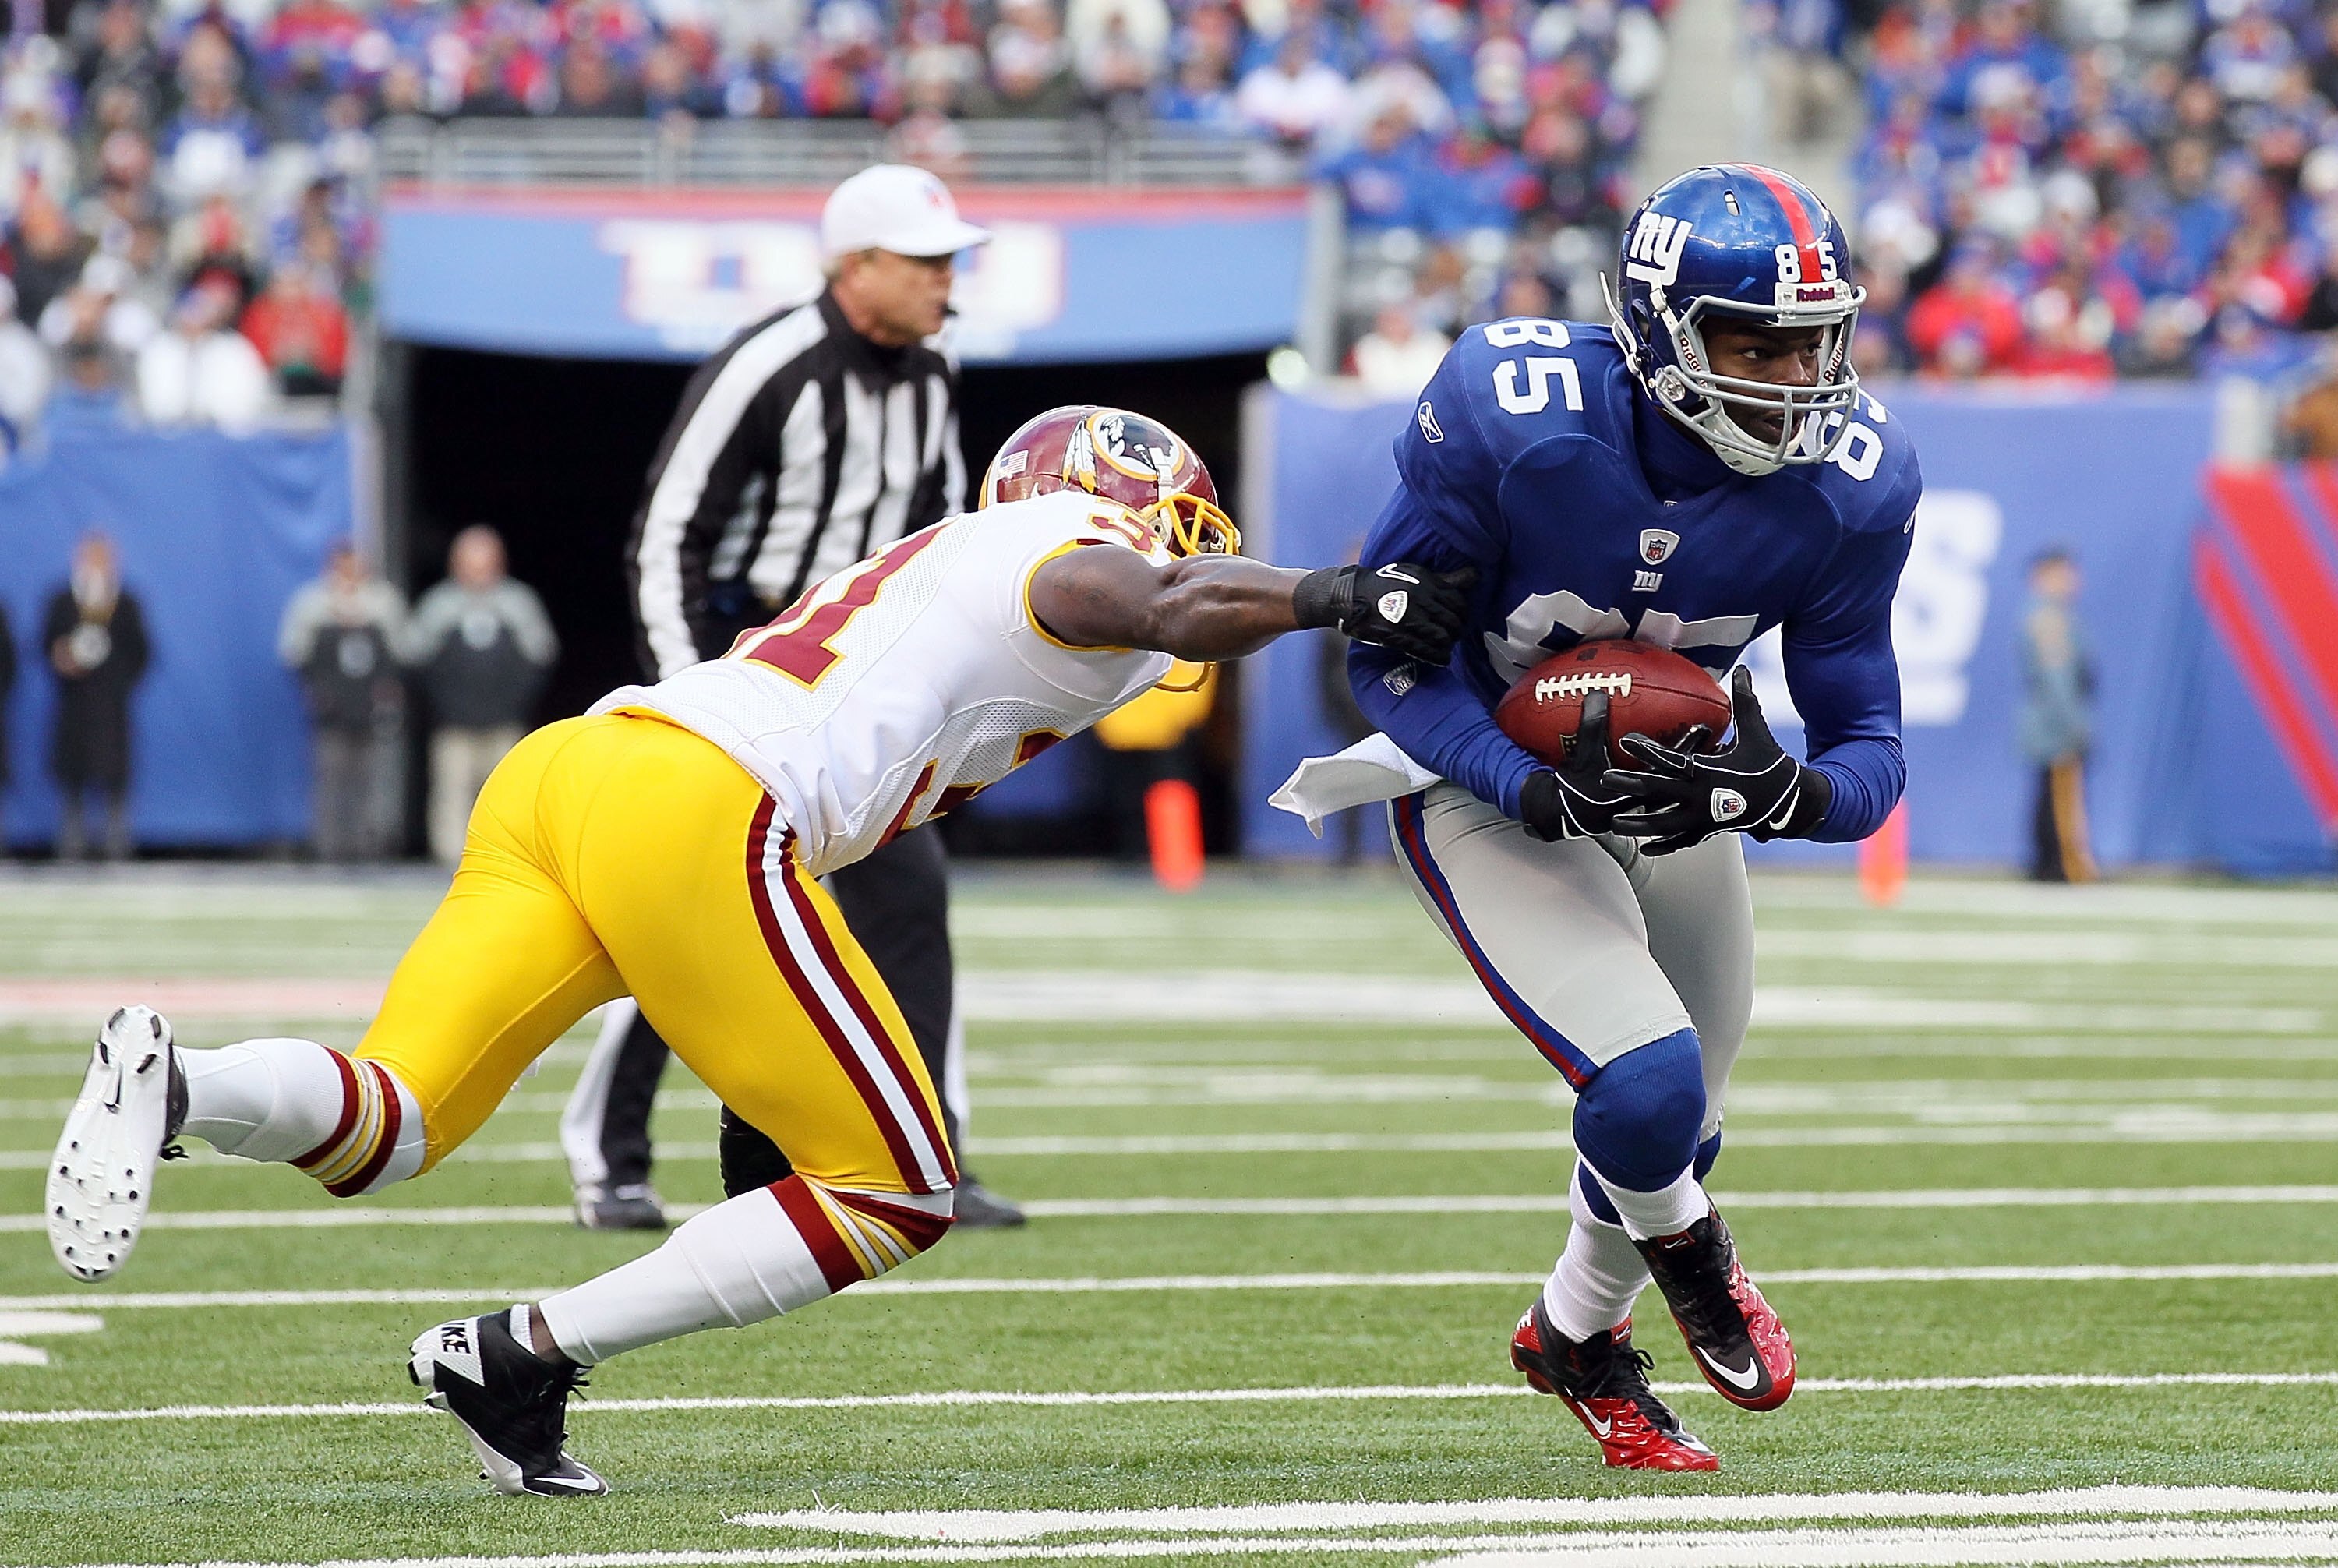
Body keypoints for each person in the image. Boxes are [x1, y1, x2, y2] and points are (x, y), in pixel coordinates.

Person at [47, 404, 1472, 1498]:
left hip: (583, 771)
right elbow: (1155, 605)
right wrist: (1337, 594)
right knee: (903, 1188)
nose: (1188, 541)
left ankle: (177, 1085)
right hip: (699, 806)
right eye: (1172, 516)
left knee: (392, 1121)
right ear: (1098, 503)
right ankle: (518, 1354)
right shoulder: (1050, 557)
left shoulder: (941, 568)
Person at [1276, 165, 1921, 1471]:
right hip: (1483, 779)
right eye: (1758, 342)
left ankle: (1573, 1333)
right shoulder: (1510, 415)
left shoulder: (1855, 483)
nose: (1799, 377)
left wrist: (1782, 791)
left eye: (1818, 339)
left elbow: (1869, 746)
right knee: (1646, 1081)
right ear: (1657, 332)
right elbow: (1397, 662)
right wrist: (1520, 780)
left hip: (1672, 791)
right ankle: (1693, 1252)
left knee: (1686, 1114)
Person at [586, 164, 1008, 1233]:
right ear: (853, 265)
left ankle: (929, 1155)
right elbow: (666, 535)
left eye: (949, 261)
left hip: (861, 671)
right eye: (924, 262)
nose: (944, 284)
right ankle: (612, 1158)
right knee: (691, 906)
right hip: (746, 657)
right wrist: (693, 691)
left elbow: (938, 532)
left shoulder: (934, 370)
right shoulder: (769, 361)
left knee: (909, 900)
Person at [406, 525, 559, 865]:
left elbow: (541, 655)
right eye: (469, 561)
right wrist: (443, 704)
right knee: (451, 793)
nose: (477, 570)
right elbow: (414, 656)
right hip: (454, 723)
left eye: (485, 561)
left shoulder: (518, 603)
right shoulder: (440, 605)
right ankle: (449, 862)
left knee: (506, 794)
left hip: (504, 723)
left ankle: (504, 859)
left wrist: (516, 703)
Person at [277, 542, 408, 861]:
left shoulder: (383, 603)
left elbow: (406, 651)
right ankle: (330, 847)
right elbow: (293, 652)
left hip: (373, 710)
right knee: (331, 778)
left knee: (374, 781)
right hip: (332, 711)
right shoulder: (313, 604)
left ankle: (371, 846)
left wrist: (387, 689)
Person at [44, 531, 152, 862]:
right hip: (74, 705)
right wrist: (62, 657)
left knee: (114, 780)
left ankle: (115, 848)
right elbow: (45, 646)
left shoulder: (125, 603)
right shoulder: (63, 601)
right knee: (73, 781)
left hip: (111, 708)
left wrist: (119, 683)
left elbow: (142, 653)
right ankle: (72, 848)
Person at [2018, 546, 2096, 883]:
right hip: (2055, 726)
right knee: (2062, 798)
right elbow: (2059, 679)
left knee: (2049, 796)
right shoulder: (2049, 619)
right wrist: (2073, 727)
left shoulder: (2051, 616)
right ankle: (2065, 866)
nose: (2073, 580)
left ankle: (2047, 864)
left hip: (2048, 723)